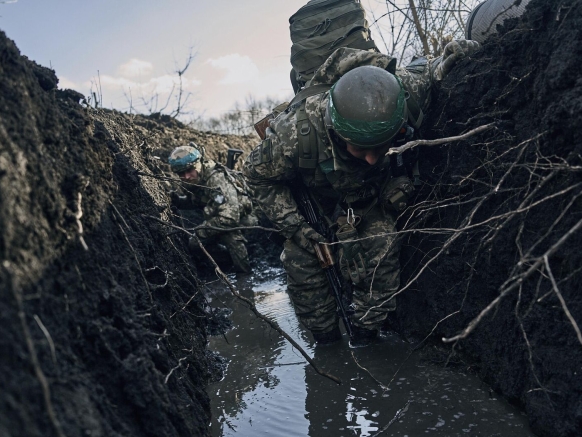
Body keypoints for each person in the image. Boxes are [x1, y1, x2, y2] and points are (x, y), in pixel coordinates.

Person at [244, 41, 478, 346]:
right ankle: (326, 342)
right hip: (318, 205)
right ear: (335, 131)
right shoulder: (295, 135)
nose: (371, 159)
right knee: (302, 268)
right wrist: (300, 229)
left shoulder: (404, 94)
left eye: (380, 148)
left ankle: (367, 337)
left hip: (370, 200)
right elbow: (256, 177)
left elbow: (431, 69)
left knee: (382, 250)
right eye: (360, 149)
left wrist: (451, 58)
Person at [168, 144, 257, 273]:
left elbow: (230, 218)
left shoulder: (216, 179)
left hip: (245, 219)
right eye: (181, 173)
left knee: (230, 235)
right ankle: (227, 261)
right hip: (219, 217)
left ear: (198, 163)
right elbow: (197, 201)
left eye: (190, 170)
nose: (186, 176)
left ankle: (245, 275)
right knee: (195, 244)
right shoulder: (195, 179)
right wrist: (179, 202)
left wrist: (201, 231)